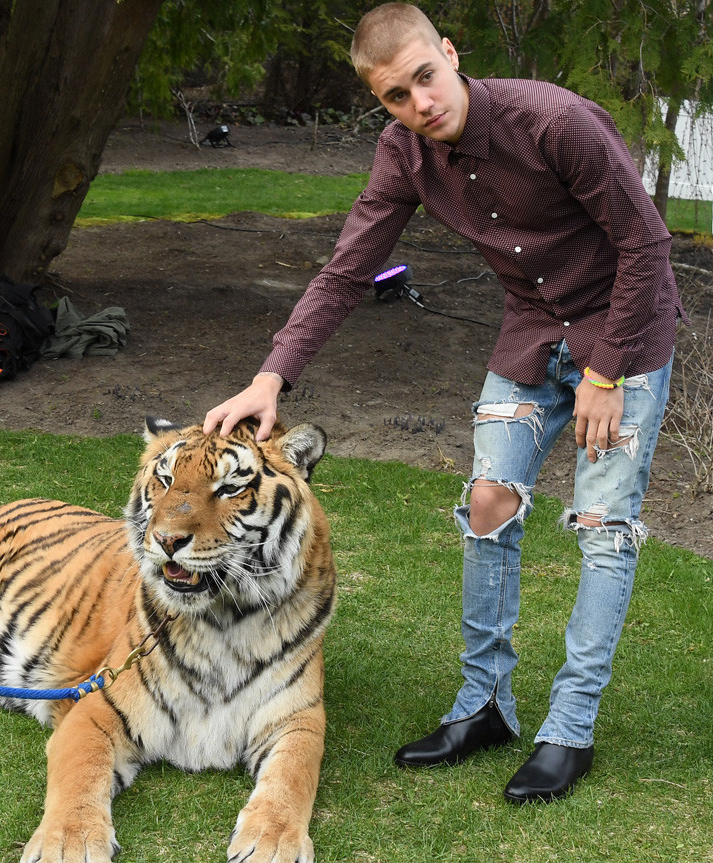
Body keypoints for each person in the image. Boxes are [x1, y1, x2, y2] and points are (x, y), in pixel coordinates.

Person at [203, 2, 686, 804]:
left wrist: (606, 374)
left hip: (622, 338)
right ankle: (485, 705)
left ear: (450, 55)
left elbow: (646, 244)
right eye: (396, 95)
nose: (420, 104)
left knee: (604, 529)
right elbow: (347, 271)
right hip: (533, 337)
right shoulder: (406, 155)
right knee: (488, 503)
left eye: (426, 78)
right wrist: (272, 377)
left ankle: (571, 725)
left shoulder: (554, 121)